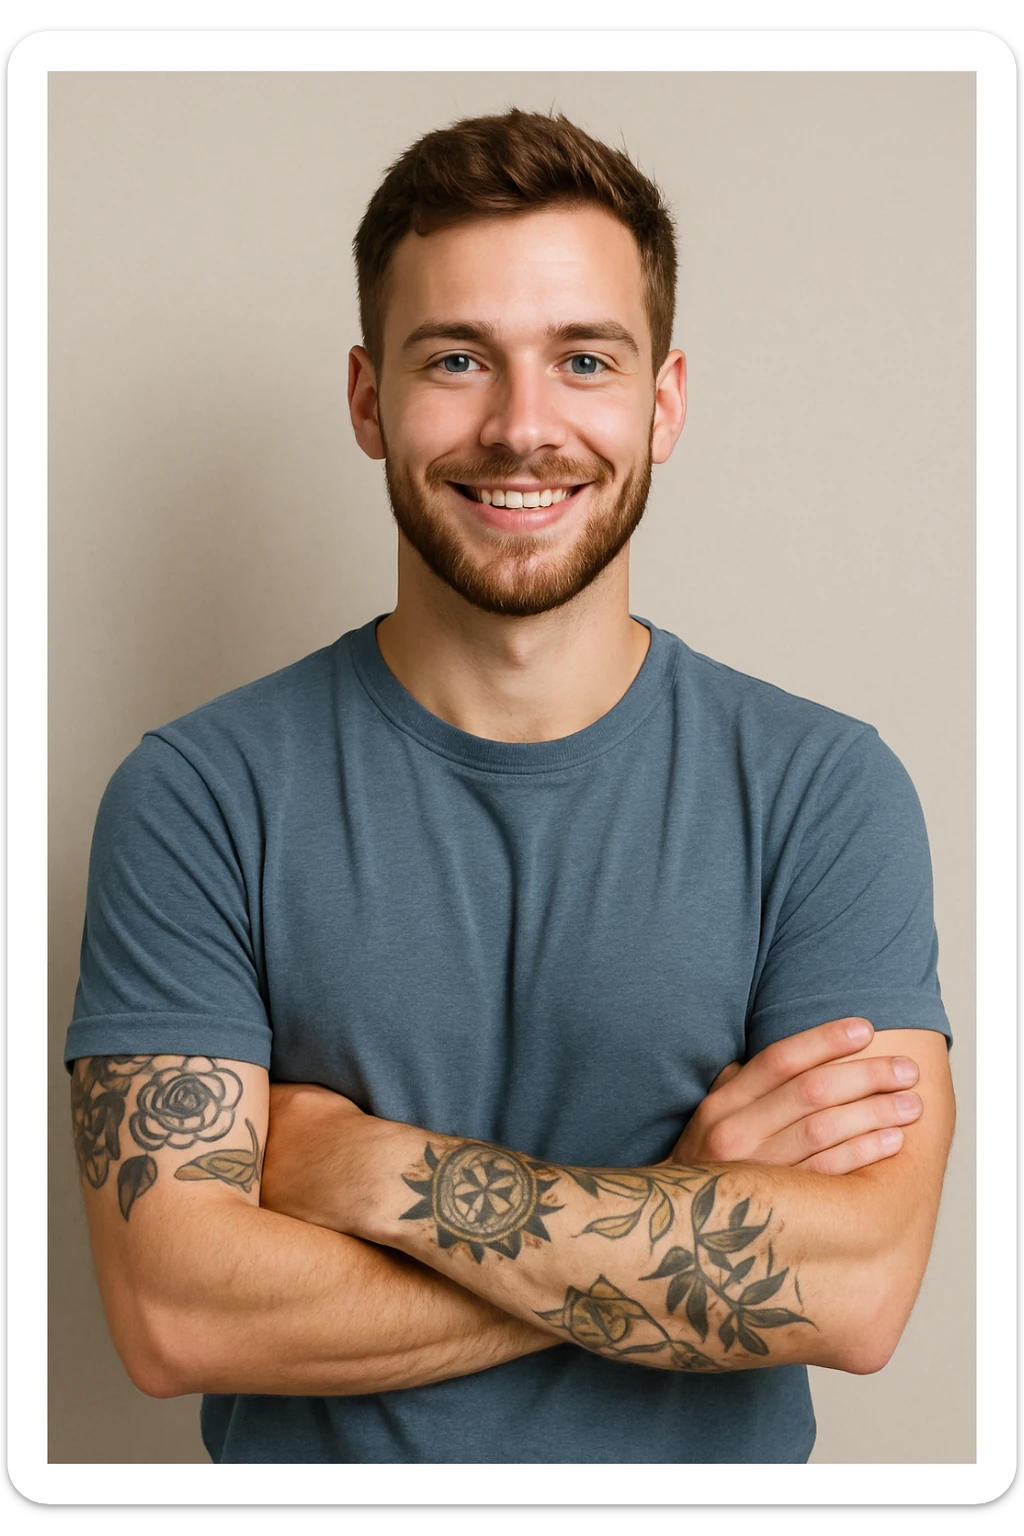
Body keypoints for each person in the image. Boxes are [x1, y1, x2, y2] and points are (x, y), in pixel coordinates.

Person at [66, 109, 955, 1466]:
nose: (522, 426)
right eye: (459, 358)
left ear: (663, 403)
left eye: (583, 359)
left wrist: (369, 1175)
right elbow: (176, 1313)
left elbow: (857, 1288)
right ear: (369, 399)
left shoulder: (822, 793)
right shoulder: (198, 795)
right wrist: (681, 1214)